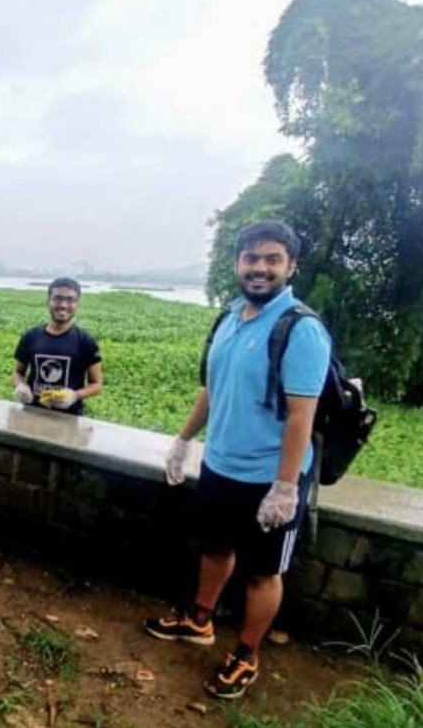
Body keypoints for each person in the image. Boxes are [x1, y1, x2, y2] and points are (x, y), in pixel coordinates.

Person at [145, 220, 331, 699]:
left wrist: (285, 487)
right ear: (237, 263)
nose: (260, 268)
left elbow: (300, 416)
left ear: (291, 266)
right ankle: (199, 620)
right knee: (214, 547)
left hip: (268, 476)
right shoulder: (229, 318)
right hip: (220, 465)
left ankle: (247, 653)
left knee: (263, 573)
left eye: (272, 259)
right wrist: (184, 440)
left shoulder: (301, 329)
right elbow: (213, 389)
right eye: (251, 258)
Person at [12, 277, 103, 414]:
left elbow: (97, 384)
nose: (63, 305)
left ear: (77, 304)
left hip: (69, 418)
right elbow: (18, 372)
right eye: (57, 298)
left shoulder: (85, 341)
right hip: (31, 412)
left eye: (70, 300)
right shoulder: (31, 336)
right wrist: (20, 385)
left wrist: (75, 395)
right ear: (48, 302)